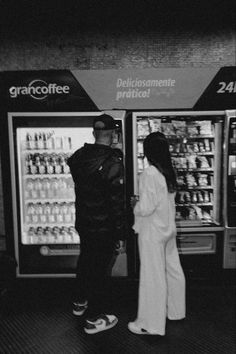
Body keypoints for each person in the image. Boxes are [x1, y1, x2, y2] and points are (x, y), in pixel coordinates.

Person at [67, 113, 126, 334]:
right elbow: (116, 202)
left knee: (85, 262)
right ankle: (95, 319)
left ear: (94, 133)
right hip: (104, 227)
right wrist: (121, 234)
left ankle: (79, 303)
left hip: (84, 222)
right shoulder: (112, 162)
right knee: (100, 271)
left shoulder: (79, 157)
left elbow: (73, 168)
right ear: (113, 135)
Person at [128, 131, 186, 336]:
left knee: (152, 277)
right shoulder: (169, 171)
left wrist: (135, 204)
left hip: (152, 232)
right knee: (173, 271)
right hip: (168, 229)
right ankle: (176, 311)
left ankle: (150, 324)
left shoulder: (150, 173)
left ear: (148, 151)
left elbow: (146, 208)